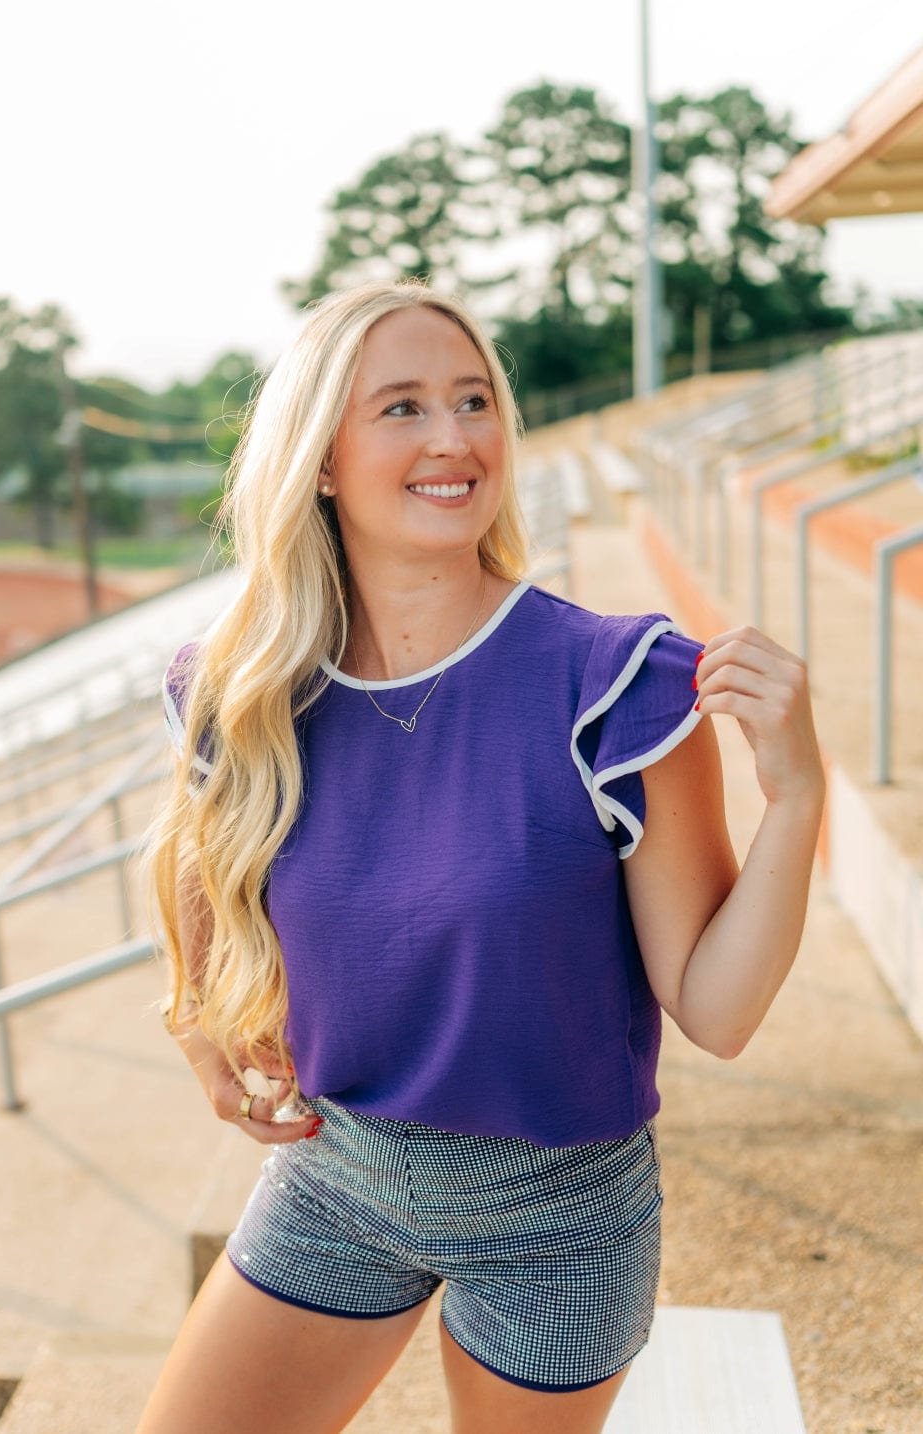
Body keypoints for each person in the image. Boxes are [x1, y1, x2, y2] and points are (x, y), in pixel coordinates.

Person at [137, 280, 824, 1434]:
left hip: (557, 1217)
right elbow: (209, 870)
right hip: (337, 1178)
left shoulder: (616, 685)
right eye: (400, 408)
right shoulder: (241, 687)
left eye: (472, 401)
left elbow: (717, 1008)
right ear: (318, 458)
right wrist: (198, 1018)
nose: (454, 438)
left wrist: (797, 797)